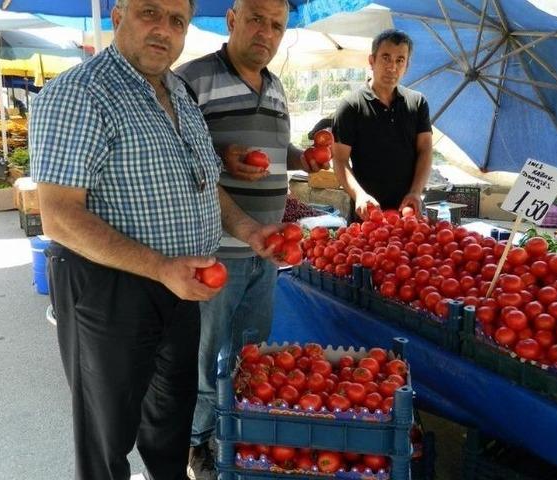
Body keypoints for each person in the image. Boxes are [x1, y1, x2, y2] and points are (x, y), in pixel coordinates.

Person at [29, 1, 280, 479]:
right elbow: (58, 217)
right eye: (150, 12)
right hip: (109, 288)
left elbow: (203, 183)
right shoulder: (78, 93)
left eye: (177, 21)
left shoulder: (178, 92)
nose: (164, 30)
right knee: (108, 435)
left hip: (181, 284)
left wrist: (248, 229)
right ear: (118, 14)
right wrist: (160, 268)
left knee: (170, 420)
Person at [175, 1, 326, 478]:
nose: (266, 32)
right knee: (206, 356)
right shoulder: (190, 79)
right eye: (257, 19)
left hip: (269, 251)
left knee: (250, 353)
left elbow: (278, 149)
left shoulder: (277, 88)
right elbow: (172, 150)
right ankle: (196, 443)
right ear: (233, 20)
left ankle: (233, 430)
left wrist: (305, 157)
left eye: (277, 25)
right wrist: (221, 154)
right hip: (215, 251)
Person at [332, 29, 434, 220]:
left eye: (400, 60)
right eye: (386, 58)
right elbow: (339, 159)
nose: (392, 67)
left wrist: (415, 192)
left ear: (407, 65)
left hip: (409, 214)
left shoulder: (418, 103)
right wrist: (359, 195)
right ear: (372, 61)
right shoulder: (351, 106)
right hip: (367, 215)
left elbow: (425, 150)